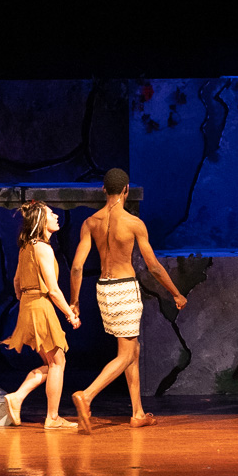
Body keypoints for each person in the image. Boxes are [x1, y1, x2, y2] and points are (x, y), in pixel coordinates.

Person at [69, 168, 187, 434]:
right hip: (124, 289)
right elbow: (153, 266)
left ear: (104, 190)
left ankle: (137, 413)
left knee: (133, 348)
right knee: (126, 354)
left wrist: (74, 301)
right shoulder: (134, 223)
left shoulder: (90, 222)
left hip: (103, 289)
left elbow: (76, 267)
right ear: (126, 190)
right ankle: (87, 395)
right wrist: (176, 293)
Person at [1, 200, 82, 430]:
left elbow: (16, 282)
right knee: (58, 362)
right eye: (51, 213)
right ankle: (52, 417)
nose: (56, 216)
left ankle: (17, 397)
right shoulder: (43, 248)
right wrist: (70, 314)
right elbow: (53, 289)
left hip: (29, 305)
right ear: (40, 221)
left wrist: (27, 301)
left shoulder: (26, 247)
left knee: (52, 362)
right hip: (41, 304)